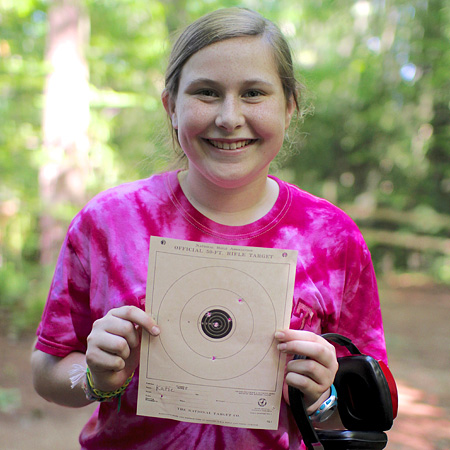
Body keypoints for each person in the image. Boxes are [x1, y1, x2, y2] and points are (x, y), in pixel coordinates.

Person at [31, 7, 387, 450]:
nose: (229, 117)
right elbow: (47, 370)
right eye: (206, 93)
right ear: (171, 107)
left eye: (254, 93)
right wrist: (94, 377)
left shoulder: (333, 237)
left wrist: (322, 397)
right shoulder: (109, 221)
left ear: (290, 105)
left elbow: (366, 405)